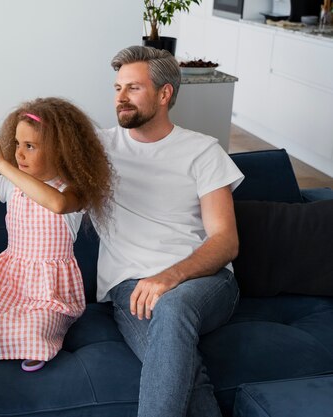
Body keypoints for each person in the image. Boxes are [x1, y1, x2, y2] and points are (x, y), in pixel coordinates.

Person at [95, 45, 244, 417]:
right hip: (130, 286)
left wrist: (169, 278)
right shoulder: (98, 149)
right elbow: (26, 155)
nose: (121, 98)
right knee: (186, 374)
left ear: (165, 94)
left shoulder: (203, 152)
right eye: (117, 88)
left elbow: (225, 241)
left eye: (133, 88)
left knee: (174, 305)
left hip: (204, 282)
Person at [0, 97, 113, 371]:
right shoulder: (10, 183)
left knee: (37, 326)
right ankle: (10, 340)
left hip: (50, 289)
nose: (19, 153)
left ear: (60, 151)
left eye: (30, 146)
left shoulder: (71, 190)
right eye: (17, 144)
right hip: (11, 279)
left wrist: (2, 166)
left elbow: (56, 205)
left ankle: (32, 340)